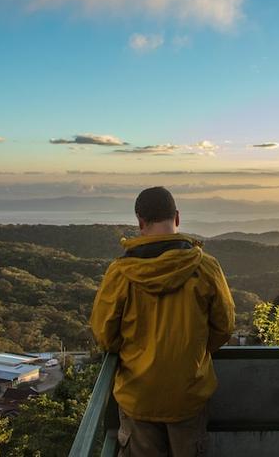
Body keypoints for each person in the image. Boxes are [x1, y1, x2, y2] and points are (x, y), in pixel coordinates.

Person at [90, 186, 235, 457]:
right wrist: (195, 352)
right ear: (177, 217)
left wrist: (135, 353)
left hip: (139, 396)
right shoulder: (206, 268)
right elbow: (224, 327)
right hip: (189, 395)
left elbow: (105, 335)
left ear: (140, 222)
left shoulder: (121, 273)